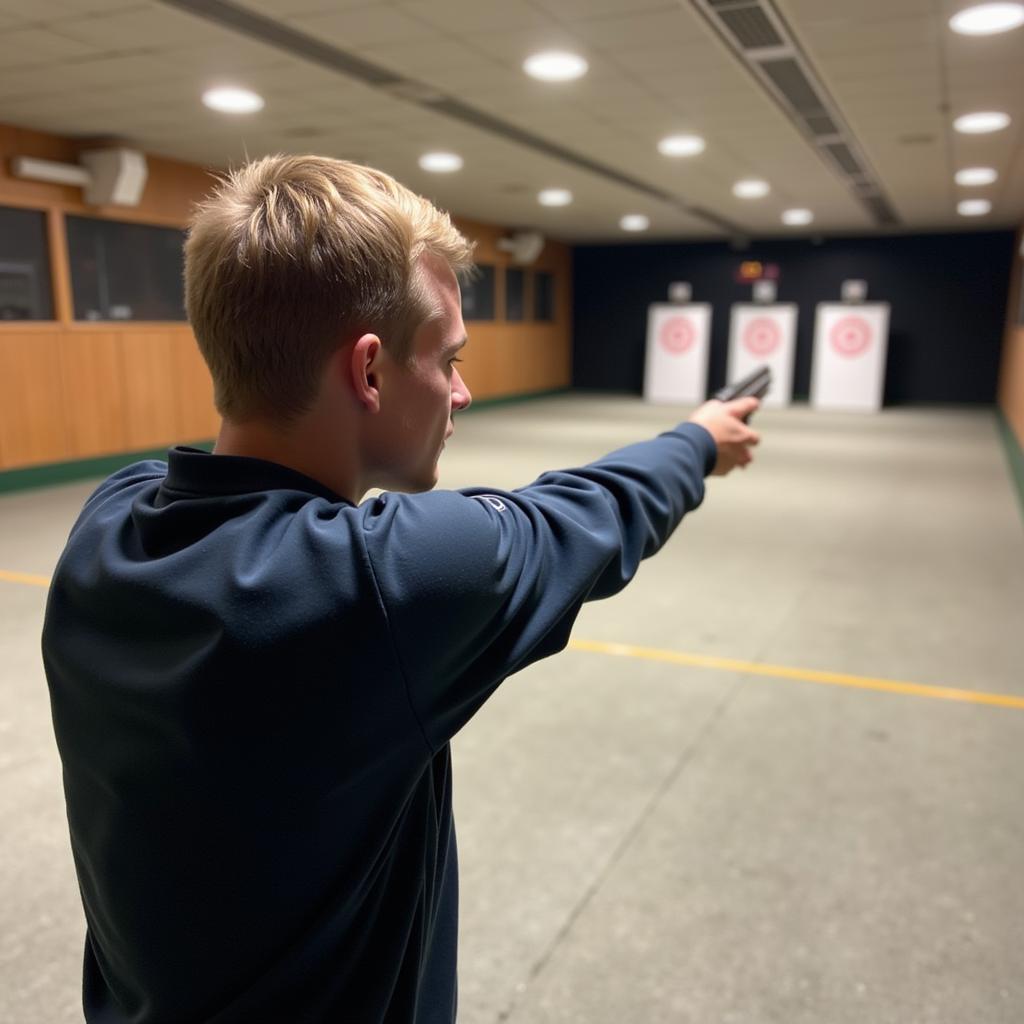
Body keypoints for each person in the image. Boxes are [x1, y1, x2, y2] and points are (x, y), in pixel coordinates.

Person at [41, 154, 760, 1024]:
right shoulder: (384, 583)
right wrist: (697, 441)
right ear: (370, 370)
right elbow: (598, 512)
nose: (462, 392)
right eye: (447, 358)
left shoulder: (106, 525)